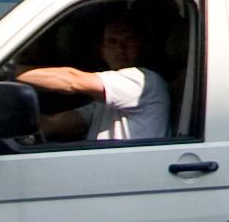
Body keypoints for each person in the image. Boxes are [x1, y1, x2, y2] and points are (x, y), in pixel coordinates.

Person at [21, 12, 172, 145]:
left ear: (141, 46)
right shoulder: (109, 97)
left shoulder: (143, 81)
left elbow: (71, 81)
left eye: (129, 41)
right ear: (102, 49)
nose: (120, 48)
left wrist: (9, 71)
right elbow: (60, 123)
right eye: (112, 42)